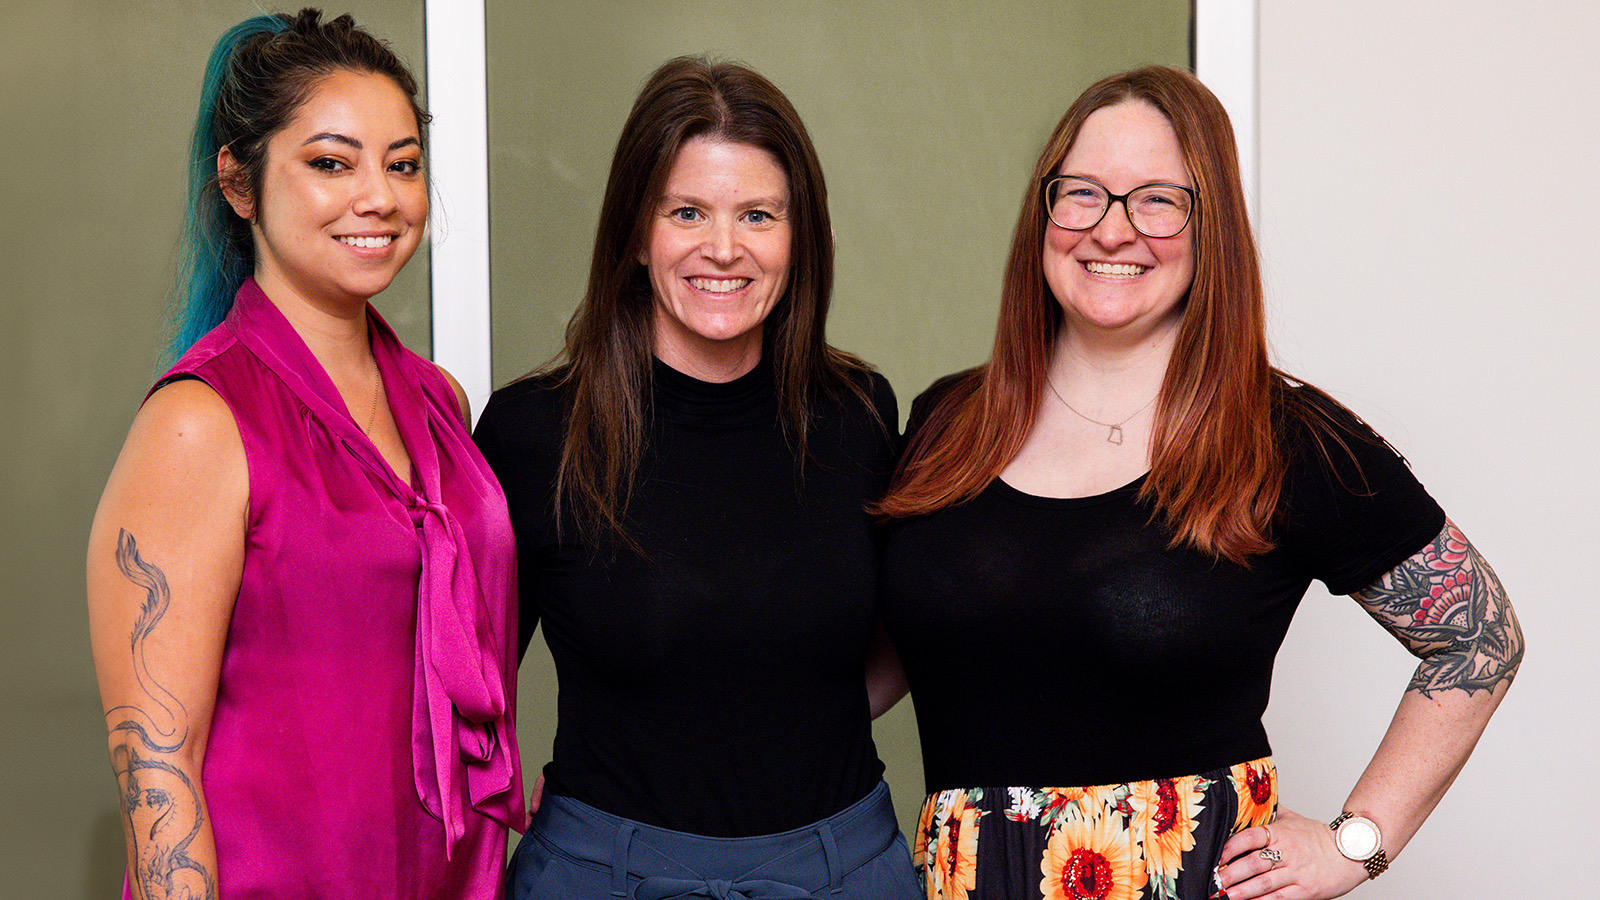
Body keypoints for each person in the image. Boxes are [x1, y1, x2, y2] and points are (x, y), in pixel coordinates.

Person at [874, 66, 1523, 900]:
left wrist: (1354, 844)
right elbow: (881, 648)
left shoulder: (1281, 436)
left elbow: (1482, 637)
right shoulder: (945, 422)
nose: (1112, 230)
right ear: (1043, 212)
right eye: (1083, 194)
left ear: (1208, 223)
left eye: (1157, 200)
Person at [86, 10, 522, 899]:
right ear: (239, 184)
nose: (380, 196)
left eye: (402, 164)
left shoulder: (439, 402)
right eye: (331, 162)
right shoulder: (200, 422)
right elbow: (159, 772)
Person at [472, 56, 920, 899]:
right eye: (687, 212)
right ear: (637, 234)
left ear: (801, 237)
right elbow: (463, 687)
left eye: (758, 214)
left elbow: (920, 623)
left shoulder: (859, 412)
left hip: (842, 868)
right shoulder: (535, 433)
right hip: (606, 872)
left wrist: (772, 724)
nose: (724, 249)